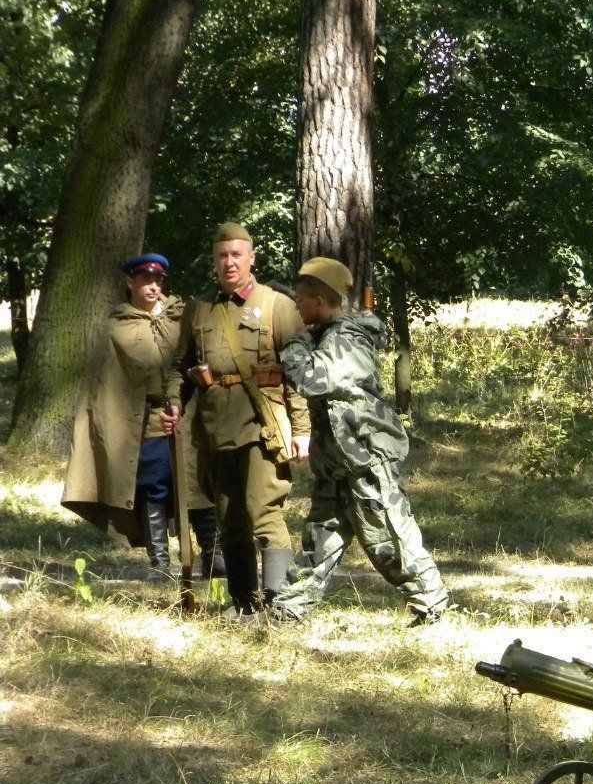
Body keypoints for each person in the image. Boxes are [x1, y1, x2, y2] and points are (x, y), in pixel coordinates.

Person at [256, 257, 450, 626]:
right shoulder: (327, 335)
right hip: (338, 459)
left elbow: (314, 380)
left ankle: (433, 606)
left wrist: (294, 342)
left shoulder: (347, 338)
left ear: (319, 301)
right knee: (321, 536)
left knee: (388, 536)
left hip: (365, 455)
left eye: (301, 300)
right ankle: (289, 608)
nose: (297, 308)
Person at [163, 224, 310, 616]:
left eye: (236, 255)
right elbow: (180, 367)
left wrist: (302, 430)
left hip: (263, 426)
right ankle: (244, 602)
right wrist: (174, 402)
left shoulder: (277, 306)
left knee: (264, 512)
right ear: (215, 261)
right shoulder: (199, 310)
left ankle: (278, 603)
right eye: (222, 256)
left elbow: (297, 373)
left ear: (251, 259)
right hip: (215, 428)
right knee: (229, 518)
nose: (229, 263)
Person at [63, 253, 222, 580]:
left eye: (158, 281)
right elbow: (105, 383)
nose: (153, 287)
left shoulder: (181, 317)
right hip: (146, 419)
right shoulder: (117, 326)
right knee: (153, 485)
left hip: (188, 412)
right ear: (130, 282)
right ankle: (159, 562)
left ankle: (213, 554)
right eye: (146, 280)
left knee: (198, 481)